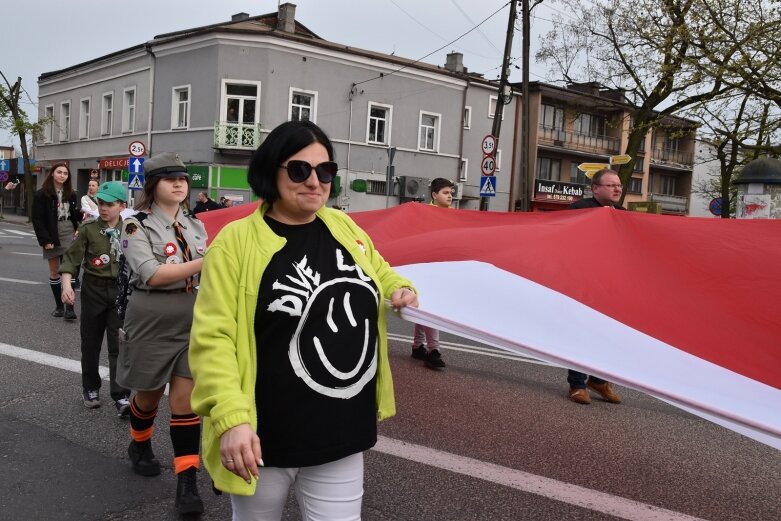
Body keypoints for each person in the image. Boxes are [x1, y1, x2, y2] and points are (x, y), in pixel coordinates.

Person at [189, 120, 418, 521]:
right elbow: (214, 338)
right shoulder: (235, 242)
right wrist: (230, 419)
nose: (315, 181)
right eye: (299, 170)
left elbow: (380, 271)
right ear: (270, 172)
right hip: (262, 438)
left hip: (341, 432)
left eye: (325, 170)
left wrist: (400, 287)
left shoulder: (343, 226)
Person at [117, 152, 207, 515]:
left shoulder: (196, 224)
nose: (178, 183)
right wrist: (208, 261)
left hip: (192, 317)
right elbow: (151, 273)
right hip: (152, 317)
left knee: (185, 401)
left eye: (183, 178)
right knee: (149, 396)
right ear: (153, 186)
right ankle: (139, 443)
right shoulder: (134, 224)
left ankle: (187, 481)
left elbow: (207, 273)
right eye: (169, 178)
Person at [59, 182, 131, 413]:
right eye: (101, 203)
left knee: (118, 344)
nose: (104, 208)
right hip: (94, 289)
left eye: (110, 204)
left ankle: (121, 395)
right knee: (90, 342)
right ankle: (90, 387)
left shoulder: (132, 230)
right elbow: (71, 260)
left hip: (120, 292)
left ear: (122, 205)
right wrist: (66, 286)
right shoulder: (88, 229)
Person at [565, 168, 624, 405]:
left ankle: (599, 380)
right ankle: (577, 384)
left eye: (619, 185)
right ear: (595, 188)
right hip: (583, 283)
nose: (617, 189)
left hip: (611, 285)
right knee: (582, 333)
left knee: (608, 334)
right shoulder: (579, 210)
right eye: (611, 185)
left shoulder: (623, 214)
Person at [410, 177, 454, 370]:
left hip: (443, 268)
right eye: (445, 192)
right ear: (434, 195)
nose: (450, 196)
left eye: (451, 192)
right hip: (427, 266)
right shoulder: (424, 214)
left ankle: (418, 346)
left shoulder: (455, 216)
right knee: (431, 308)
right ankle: (433, 350)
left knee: (425, 307)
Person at [32, 162, 80, 320]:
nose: (62, 175)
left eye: (65, 173)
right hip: (51, 231)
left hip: (68, 231)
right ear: (52, 173)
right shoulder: (41, 194)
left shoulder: (71, 193)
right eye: (59, 172)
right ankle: (59, 306)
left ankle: (70, 308)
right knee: (54, 271)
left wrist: (79, 226)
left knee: (69, 268)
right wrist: (45, 239)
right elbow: (37, 220)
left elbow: (75, 214)